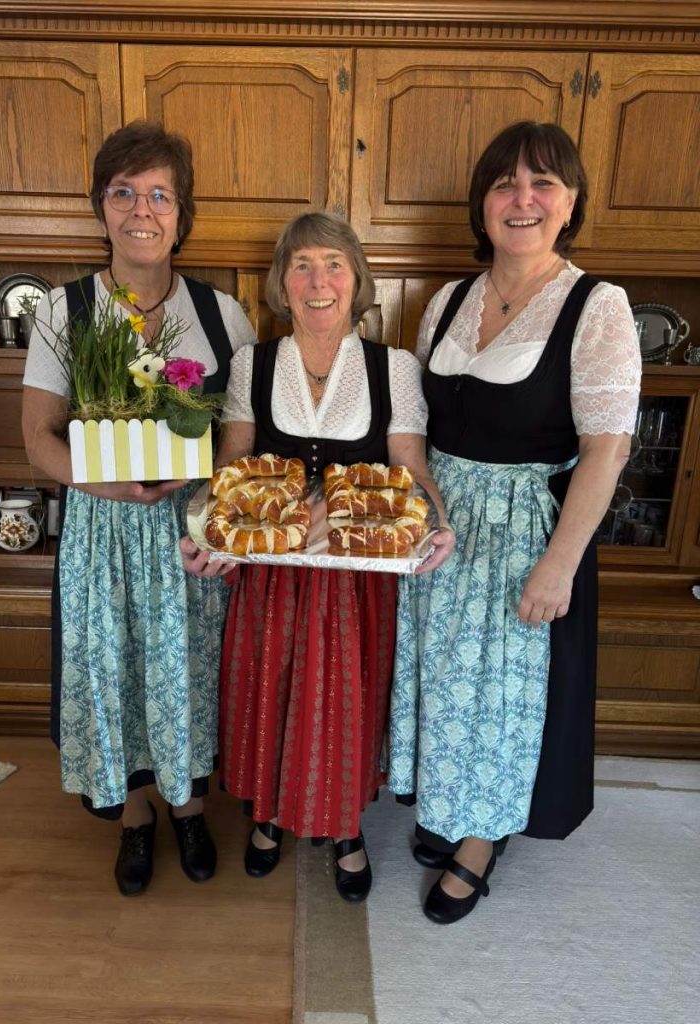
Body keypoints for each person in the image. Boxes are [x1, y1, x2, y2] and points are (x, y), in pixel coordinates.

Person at [388, 121, 641, 924]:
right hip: (440, 524)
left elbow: (606, 450)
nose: (522, 199)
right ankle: (451, 804)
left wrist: (558, 564)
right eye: (505, 184)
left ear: (570, 202)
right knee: (442, 680)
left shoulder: (598, 307)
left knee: (501, 697)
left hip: (524, 531)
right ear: (483, 203)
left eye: (543, 183)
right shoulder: (447, 303)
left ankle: (481, 839)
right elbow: (421, 427)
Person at [180, 212, 454, 902]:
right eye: (301, 264)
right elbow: (233, 462)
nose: (318, 280)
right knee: (269, 694)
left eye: (334, 264)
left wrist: (438, 522)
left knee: (343, 705)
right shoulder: (254, 363)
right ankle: (268, 816)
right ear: (282, 283)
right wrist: (207, 531)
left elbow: (411, 466)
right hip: (272, 571)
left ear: (356, 279)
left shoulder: (395, 368)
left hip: (357, 577)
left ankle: (344, 829)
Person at [22, 121, 256, 896]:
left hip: (190, 533)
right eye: (124, 193)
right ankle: (134, 817)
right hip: (103, 532)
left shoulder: (222, 315)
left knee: (186, 671)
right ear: (102, 207)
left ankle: (187, 807)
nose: (141, 210)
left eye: (159, 194)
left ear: (181, 215)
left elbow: (241, 438)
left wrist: (211, 506)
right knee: (115, 672)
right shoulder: (63, 311)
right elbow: (38, 440)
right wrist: (112, 485)